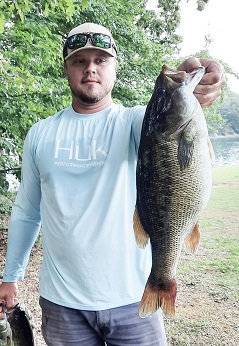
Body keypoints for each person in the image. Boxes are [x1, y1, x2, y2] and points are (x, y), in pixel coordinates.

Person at [0, 22, 225, 346]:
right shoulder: (40, 133)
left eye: (101, 60)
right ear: (66, 68)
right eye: (80, 60)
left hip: (133, 299)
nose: (90, 68)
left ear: (114, 67)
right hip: (62, 303)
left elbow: (173, 121)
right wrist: (11, 277)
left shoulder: (137, 121)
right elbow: (26, 211)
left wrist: (201, 74)